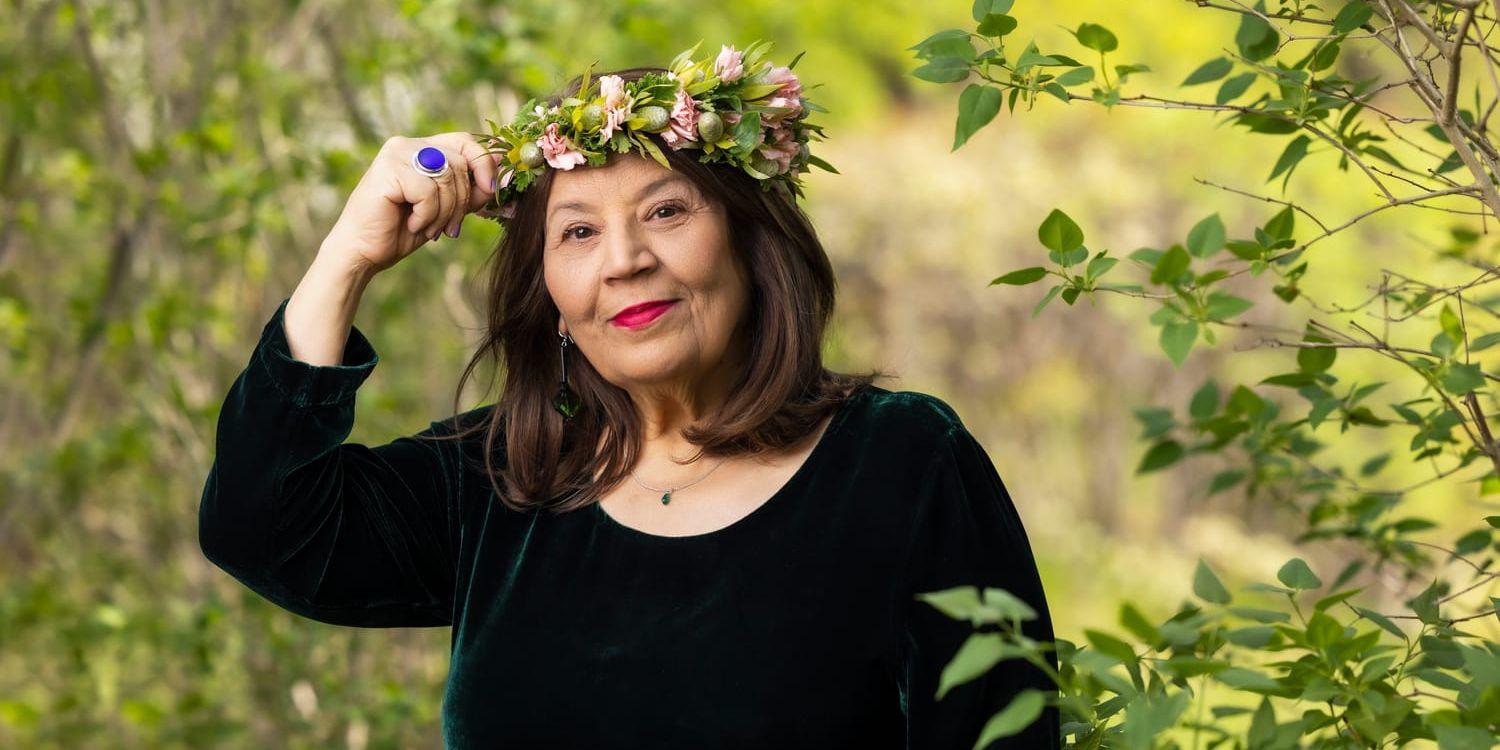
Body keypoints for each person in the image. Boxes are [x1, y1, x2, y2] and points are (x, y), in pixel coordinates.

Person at [197, 40, 1061, 749]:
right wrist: (348, 253)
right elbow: (263, 524)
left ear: (752, 249)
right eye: (578, 231)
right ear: (555, 304)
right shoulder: (501, 480)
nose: (623, 261)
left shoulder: (899, 463)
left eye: (666, 213)